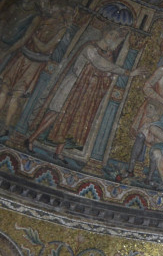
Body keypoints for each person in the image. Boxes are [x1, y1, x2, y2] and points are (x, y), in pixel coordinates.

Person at [27, 27, 133, 158]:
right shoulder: (90, 47)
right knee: (55, 112)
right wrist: (127, 72)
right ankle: (31, 139)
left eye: (115, 36)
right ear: (104, 32)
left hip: (85, 90)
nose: (112, 37)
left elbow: (105, 71)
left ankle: (59, 151)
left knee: (72, 118)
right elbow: (99, 63)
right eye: (111, 32)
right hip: (72, 84)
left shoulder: (107, 54)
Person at [0, 0, 71, 129]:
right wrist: (8, 50)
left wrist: (33, 37)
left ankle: (6, 128)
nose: (50, 8)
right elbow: (24, 39)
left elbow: (45, 48)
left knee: (17, 95)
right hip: (22, 57)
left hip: (34, 64)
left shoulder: (61, 28)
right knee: (3, 89)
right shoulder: (41, 19)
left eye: (54, 5)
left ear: (59, 9)